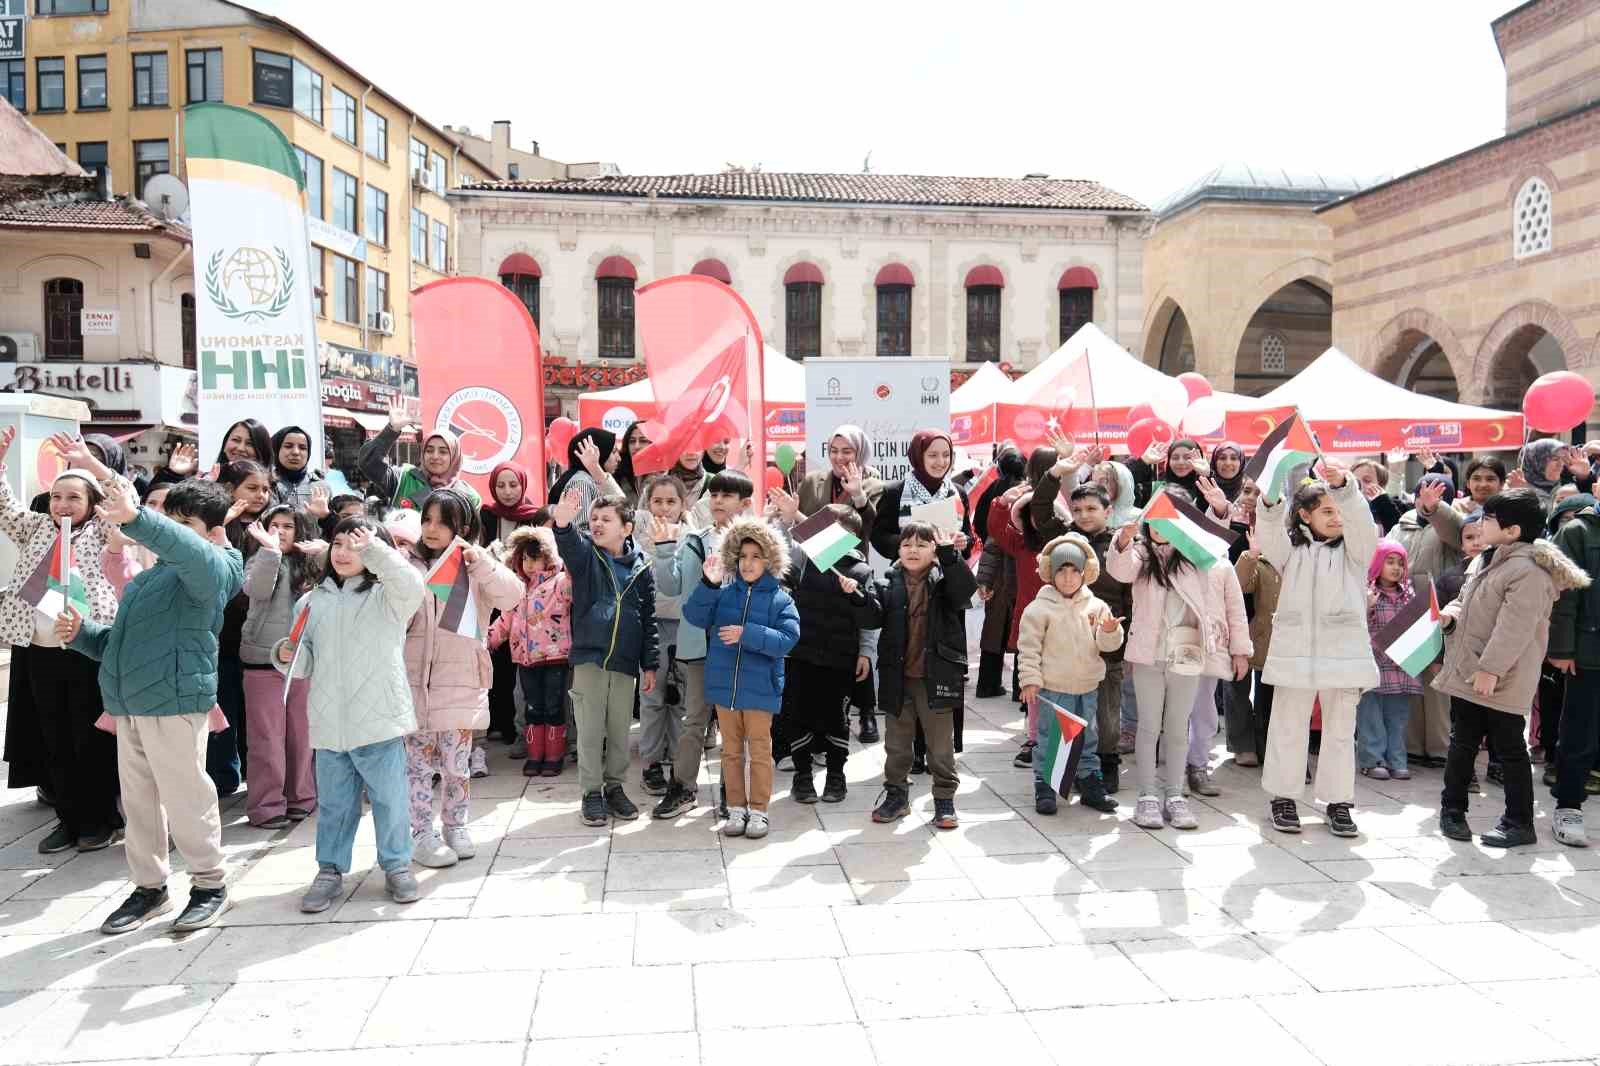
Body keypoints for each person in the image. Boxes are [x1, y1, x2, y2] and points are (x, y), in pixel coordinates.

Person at [64, 477, 244, 935]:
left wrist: (141, 519)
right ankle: (150, 887)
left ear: (209, 531)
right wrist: (81, 634)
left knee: (188, 800)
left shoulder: (215, 568)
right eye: (170, 519)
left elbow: (190, 551)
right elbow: (119, 644)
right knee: (140, 805)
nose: (173, 529)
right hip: (133, 706)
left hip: (177, 703)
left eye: (185, 523)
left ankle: (210, 884)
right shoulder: (148, 581)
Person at [275, 517, 427, 912]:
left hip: (379, 719)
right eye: (338, 543)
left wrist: (375, 550)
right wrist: (286, 655)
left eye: (355, 545)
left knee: (390, 799)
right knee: (335, 804)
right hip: (330, 725)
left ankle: (397, 865)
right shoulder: (311, 602)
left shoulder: (387, 597)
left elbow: (413, 586)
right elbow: (304, 662)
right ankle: (329, 870)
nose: (344, 552)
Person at [1437, 488, 1589, 847]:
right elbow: (1465, 600)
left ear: (1512, 530)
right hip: (1469, 670)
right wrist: (1450, 617)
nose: (1481, 521)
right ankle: (1452, 811)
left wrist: (1491, 669)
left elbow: (1515, 627)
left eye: (1489, 518)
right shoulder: (1488, 558)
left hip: (1500, 678)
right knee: (1462, 743)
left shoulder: (1529, 571)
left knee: (1509, 749)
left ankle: (1519, 822)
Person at [0, 432, 127, 854]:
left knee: (89, 738)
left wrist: (92, 465)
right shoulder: (37, 527)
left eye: (74, 497)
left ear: (91, 503)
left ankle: (101, 819)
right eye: (57, 497)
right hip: (39, 649)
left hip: (86, 650)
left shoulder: (103, 531)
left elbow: (125, 499)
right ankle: (68, 819)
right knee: (53, 736)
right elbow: (5, 508)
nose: (63, 505)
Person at [1108, 486, 1250, 831]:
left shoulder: (1197, 558)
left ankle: (1175, 795)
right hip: (1147, 654)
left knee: (1176, 728)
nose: (1161, 528)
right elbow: (1120, 570)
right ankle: (1146, 797)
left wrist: (1218, 513)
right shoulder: (1142, 556)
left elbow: (1219, 557)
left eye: (1170, 522)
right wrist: (1122, 542)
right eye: (1155, 522)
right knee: (1148, 727)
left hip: (1187, 653)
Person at [398, 489, 521, 866]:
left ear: (463, 527)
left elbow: (513, 596)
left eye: (443, 521)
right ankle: (420, 834)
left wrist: (482, 563)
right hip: (414, 682)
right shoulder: (406, 562)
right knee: (416, 769)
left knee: (456, 766)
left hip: (461, 682)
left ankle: (456, 825)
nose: (432, 529)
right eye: (427, 520)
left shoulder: (476, 565)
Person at [1256, 460, 1378, 837]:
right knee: (1287, 728)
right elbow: (1270, 526)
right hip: (1295, 656)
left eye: (1338, 509)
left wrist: (1344, 487)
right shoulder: (1289, 553)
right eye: (1326, 510)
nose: (1336, 517)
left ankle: (1338, 802)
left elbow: (1361, 520)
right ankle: (1283, 797)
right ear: (1304, 516)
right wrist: (1271, 497)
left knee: (1341, 732)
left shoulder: (1357, 553)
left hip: (1345, 657)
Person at [683, 517, 800, 839]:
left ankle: (760, 811)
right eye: (743, 556)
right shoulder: (722, 594)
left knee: (760, 751)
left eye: (756, 557)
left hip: (761, 688)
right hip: (725, 689)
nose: (748, 563)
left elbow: (787, 640)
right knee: (731, 752)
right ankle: (735, 807)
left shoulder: (782, 599)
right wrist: (708, 583)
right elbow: (694, 616)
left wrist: (747, 634)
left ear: (769, 560)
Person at [551, 487, 659, 827]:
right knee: (590, 729)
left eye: (606, 519)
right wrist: (564, 524)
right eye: (594, 518)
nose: (597, 524)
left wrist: (650, 663)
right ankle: (591, 792)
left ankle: (615, 787)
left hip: (626, 663)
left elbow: (649, 619)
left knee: (618, 730)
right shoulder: (586, 557)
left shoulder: (642, 568)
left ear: (626, 528)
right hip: (590, 660)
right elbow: (568, 543)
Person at [651, 470, 753, 819]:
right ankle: (682, 787)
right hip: (698, 646)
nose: (719, 500)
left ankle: (732, 791)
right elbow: (670, 585)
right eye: (715, 494)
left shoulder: (757, 544)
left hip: (739, 646)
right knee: (694, 719)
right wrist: (664, 549)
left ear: (745, 503)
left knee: (733, 724)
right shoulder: (696, 539)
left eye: (727, 495)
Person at [1032, 448, 1133, 793]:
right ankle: (1064, 769)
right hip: (1065, 648)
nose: (1084, 515)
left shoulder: (1121, 543)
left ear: (1109, 510)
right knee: (1065, 713)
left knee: (1106, 714)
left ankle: (1106, 764)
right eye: (1077, 509)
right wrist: (1055, 474)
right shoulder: (1064, 540)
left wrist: (1121, 637)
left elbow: (1129, 596)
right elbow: (1040, 510)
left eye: (1092, 509)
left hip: (1107, 644)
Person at [870, 521, 977, 830]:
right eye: (906, 544)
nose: (913, 550)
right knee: (897, 744)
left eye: (921, 544)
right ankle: (896, 796)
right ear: (898, 550)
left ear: (934, 549)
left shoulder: (945, 579)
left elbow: (964, 591)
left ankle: (944, 800)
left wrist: (949, 557)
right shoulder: (887, 582)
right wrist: (857, 598)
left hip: (937, 674)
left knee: (940, 746)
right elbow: (872, 616)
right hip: (897, 675)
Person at [778, 504, 882, 804]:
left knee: (837, 719)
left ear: (852, 537)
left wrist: (864, 650)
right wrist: (786, 518)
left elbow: (872, 620)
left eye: (839, 532)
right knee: (799, 716)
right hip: (801, 654)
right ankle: (803, 776)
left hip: (840, 658)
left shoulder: (860, 571)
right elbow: (780, 566)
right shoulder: (803, 562)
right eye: (824, 529)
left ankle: (837, 776)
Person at [1018, 532, 1124, 815]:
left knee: (1088, 736)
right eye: (1061, 571)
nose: (1067, 578)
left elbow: (1106, 644)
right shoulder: (1038, 609)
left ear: (1085, 572)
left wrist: (1111, 631)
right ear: (1050, 573)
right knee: (1052, 737)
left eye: (1074, 571)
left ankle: (1090, 783)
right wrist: (1029, 680)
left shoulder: (1097, 606)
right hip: (1053, 688)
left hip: (1087, 685)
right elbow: (1028, 649)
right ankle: (1046, 786)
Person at [238, 505, 322, 828]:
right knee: (266, 739)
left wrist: (325, 552)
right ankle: (266, 805)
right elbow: (256, 590)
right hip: (262, 663)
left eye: (289, 526)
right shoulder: (258, 560)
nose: (282, 531)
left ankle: (301, 797)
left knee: (301, 735)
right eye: (275, 525)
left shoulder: (312, 565)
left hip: (303, 663)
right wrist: (269, 553)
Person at [207, 459, 273, 796]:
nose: (261, 495)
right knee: (223, 708)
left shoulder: (272, 527)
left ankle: (253, 773)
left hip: (260, 638)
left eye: (265, 488)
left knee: (255, 713)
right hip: (222, 636)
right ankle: (221, 777)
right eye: (252, 487)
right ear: (231, 490)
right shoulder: (218, 527)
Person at [488, 526, 571, 777]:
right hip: (525, 660)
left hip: (555, 657)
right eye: (524, 558)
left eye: (535, 557)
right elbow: (505, 620)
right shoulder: (516, 587)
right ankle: (535, 755)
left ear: (548, 556)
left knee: (554, 706)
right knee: (533, 707)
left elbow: (574, 585)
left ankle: (554, 755)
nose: (530, 564)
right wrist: (488, 641)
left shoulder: (561, 583)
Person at [477, 460, 544, 747]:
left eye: (513, 484)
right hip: (492, 597)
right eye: (501, 485)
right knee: (496, 660)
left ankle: (520, 727)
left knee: (520, 665)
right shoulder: (486, 514)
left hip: (524, 597)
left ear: (523, 485)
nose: (507, 491)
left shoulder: (535, 516)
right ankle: (499, 722)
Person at [1550, 491, 1600, 845]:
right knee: (1579, 732)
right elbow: (1565, 596)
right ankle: (1568, 807)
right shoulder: (1578, 531)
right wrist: (1563, 648)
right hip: (1588, 650)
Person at [636, 474, 689, 794]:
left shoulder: (693, 538)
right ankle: (652, 761)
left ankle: (679, 758)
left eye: (671, 501)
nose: (664, 508)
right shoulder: (638, 539)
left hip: (686, 628)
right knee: (652, 697)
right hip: (651, 627)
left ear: (683, 505)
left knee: (681, 697)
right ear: (648, 503)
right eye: (658, 501)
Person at [1358, 539, 1422, 781]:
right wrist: (1366, 606)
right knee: (1371, 716)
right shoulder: (1367, 591)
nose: (1396, 568)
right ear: (1377, 563)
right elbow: (1359, 626)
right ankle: (1372, 759)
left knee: (1398, 717)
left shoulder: (1408, 594)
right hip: (1373, 665)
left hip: (1400, 667)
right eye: (1389, 561)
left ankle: (1397, 760)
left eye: (1400, 563)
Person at [359, 405, 482, 512]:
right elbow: (368, 463)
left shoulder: (468, 496)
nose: (435, 456)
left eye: (443, 452)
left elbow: (470, 537)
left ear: (455, 457)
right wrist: (391, 430)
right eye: (429, 450)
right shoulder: (403, 478)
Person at [1234, 505, 1281, 767]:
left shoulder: (1298, 558)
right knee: (1263, 702)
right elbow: (1242, 584)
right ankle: (1262, 749)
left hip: (1293, 643)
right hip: (1264, 641)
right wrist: (1250, 555)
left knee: (1284, 704)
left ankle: (1285, 755)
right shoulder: (1261, 563)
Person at [548, 428, 623, 535]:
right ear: (599, 452)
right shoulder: (581, 482)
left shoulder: (587, 479)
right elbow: (580, 531)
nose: (618, 458)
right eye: (613, 452)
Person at [267, 425, 326, 510]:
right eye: (288, 446)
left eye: (302, 448)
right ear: (276, 449)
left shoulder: (321, 487)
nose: (295, 452)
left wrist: (326, 517)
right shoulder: (266, 484)